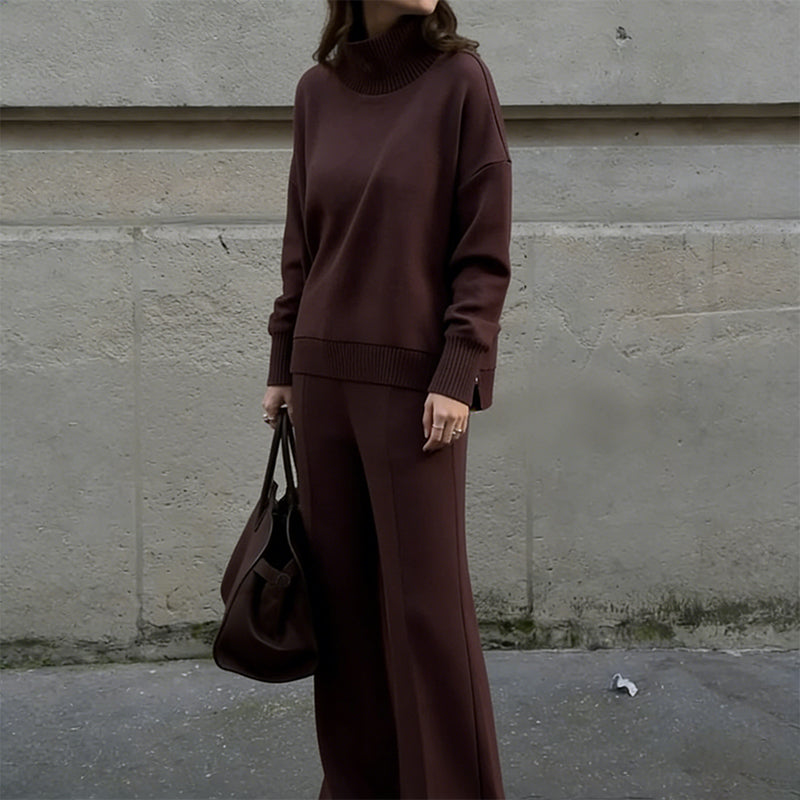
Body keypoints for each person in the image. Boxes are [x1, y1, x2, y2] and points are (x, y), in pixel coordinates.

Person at [261, 1, 512, 796]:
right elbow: (301, 240)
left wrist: (459, 368)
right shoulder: (317, 91)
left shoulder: (460, 82)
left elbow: (483, 245)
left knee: (428, 616)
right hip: (321, 382)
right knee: (344, 615)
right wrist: (282, 360)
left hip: (416, 392)